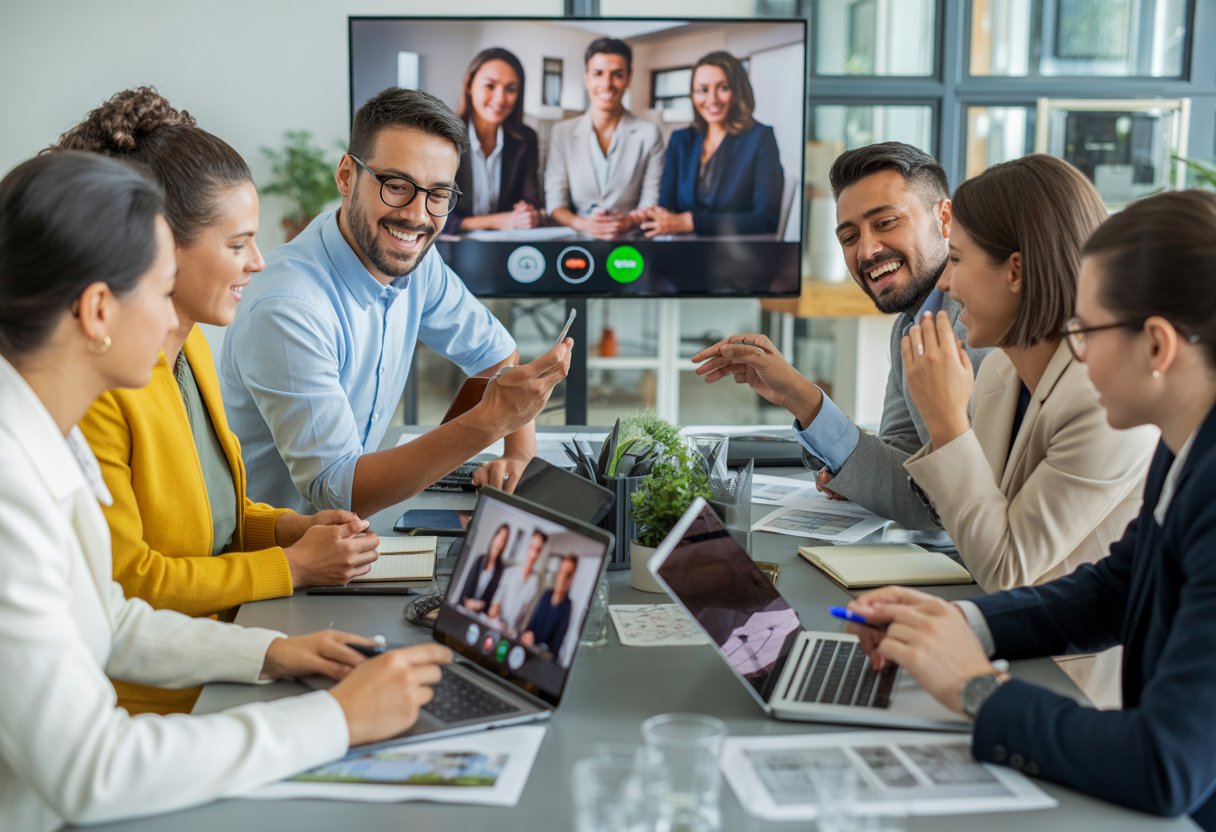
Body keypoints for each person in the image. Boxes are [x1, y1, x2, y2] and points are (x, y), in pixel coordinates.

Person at [0, 151, 451, 832]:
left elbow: (110, 619)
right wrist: (335, 718)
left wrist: (268, 653)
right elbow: (93, 770)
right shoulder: (12, 490)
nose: (170, 316)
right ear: (98, 311)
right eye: (160, 288)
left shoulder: (44, 434)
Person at [845, 189, 1216, 828]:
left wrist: (977, 687)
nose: (1076, 351)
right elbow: (1112, 590)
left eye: (1085, 329)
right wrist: (962, 624)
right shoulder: (1186, 448)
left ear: (1157, 347)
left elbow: (1167, 765)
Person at [53, 88, 381, 716]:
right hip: (158, 699)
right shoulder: (98, 391)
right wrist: (292, 566)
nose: (259, 262)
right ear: (159, 247)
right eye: (237, 245)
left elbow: (213, 518)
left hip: (232, 650)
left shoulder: (194, 347)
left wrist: (291, 528)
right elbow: (133, 585)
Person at [220, 87, 571, 517]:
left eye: (438, 195)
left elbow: (496, 355)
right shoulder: (288, 307)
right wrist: (490, 421)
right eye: (396, 186)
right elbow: (339, 490)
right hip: (276, 561)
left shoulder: (414, 259)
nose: (418, 216)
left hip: (350, 539)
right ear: (347, 176)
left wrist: (518, 454)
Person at [901, 155, 1157, 704]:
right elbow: (976, 533)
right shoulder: (999, 368)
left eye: (958, 259)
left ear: (1015, 271)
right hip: (1007, 653)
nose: (945, 281)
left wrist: (947, 423)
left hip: (1076, 690)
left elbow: (1007, 569)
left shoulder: (1101, 398)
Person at [692, 142, 988, 530]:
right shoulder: (909, 328)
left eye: (885, 223)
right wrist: (801, 398)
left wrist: (808, 401)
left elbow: (959, 503)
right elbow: (910, 484)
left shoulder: (981, 326)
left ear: (944, 218)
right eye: (849, 237)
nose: (866, 250)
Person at [636, 51, 783, 238]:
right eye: (703, 90)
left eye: (723, 88)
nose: (712, 99)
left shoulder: (760, 137)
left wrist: (689, 222)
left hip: (737, 256)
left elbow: (766, 219)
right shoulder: (680, 140)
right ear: (693, 95)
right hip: (682, 251)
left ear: (738, 91)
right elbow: (665, 208)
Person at [544, 37, 664, 240]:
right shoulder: (561, 133)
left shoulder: (649, 133)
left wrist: (628, 222)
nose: (607, 84)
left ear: (629, 78)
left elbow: (651, 200)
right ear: (586, 78)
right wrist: (582, 224)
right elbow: (555, 203)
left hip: (631, 242)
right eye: (598, 74)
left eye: (617, 74)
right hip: (578, 241)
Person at [447, 48, 543, 233]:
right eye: (490, 86)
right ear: (469, 85)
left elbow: (532, 201)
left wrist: (528, 213)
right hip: (452, 248)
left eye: (510, 89)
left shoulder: (526, 139)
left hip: (504, 246)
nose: (500, 98)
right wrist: (495, 221)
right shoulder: (442, 135)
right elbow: (433, 214)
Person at [488, 529, 547, 634]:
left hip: (514, 632)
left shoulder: (535, 583)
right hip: (498, 624)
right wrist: (496, 615)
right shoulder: (509, 572)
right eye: (532, 548)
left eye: (538, 550)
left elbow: (527, 616)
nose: (533, 554)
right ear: (527, 547)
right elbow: (495, 605)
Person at [521, 554, 578, 655]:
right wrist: (527, 634)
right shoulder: (546, 594)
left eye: (568, 575)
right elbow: (532, 622)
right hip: (528, 645)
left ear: (571, 579)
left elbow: (557, 643)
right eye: (561, 572)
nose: (563, 578)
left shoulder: (567, 606)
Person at [460, 522, 510, 613]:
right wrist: (467, 602)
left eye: (504, 540)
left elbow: (492, 599)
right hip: (466, 607)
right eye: (500, 537)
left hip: (481, 612)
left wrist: (481, 605)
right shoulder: (480, 560)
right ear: (495, 537)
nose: (500, 542)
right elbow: (466, 588)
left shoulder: (500, 569)